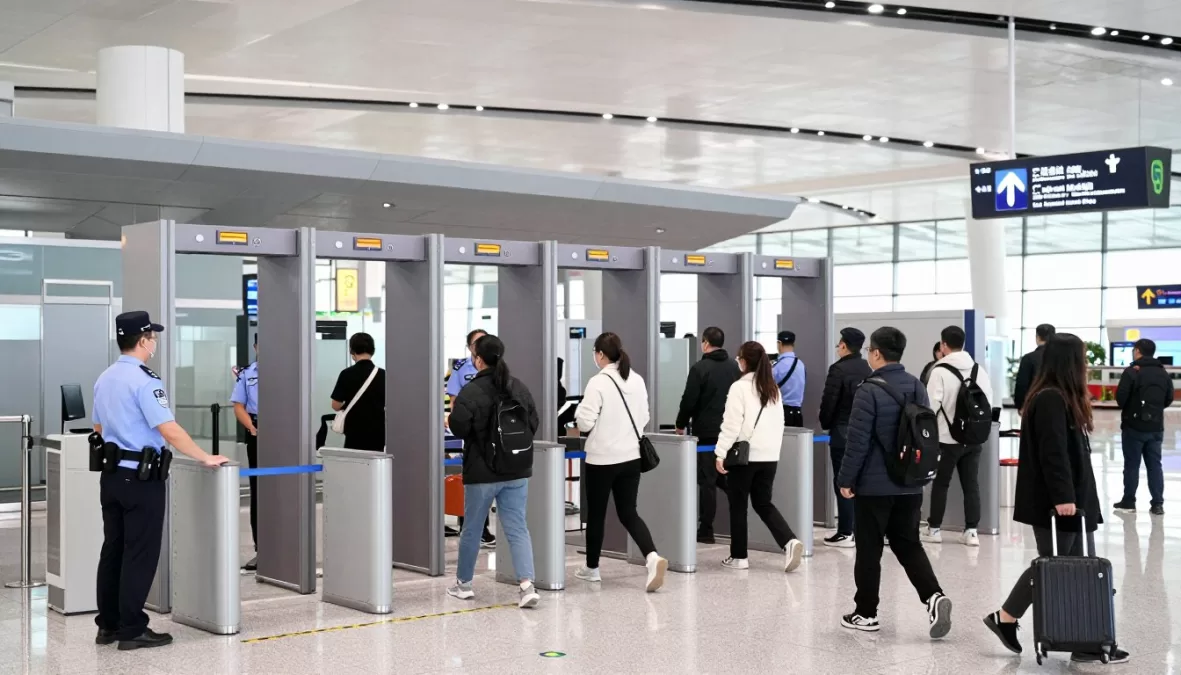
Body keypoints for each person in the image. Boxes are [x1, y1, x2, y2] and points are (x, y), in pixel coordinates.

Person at [983, 333, 1129, 664]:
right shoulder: (1050, 398)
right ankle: (1006, 617)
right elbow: (1053, 453)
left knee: (1072, 568)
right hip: (1059, 501)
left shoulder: (1060, 396)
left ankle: (1086, 640)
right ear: (1069, 362)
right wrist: (1064, 496)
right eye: (1082, 359)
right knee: (1055, 567)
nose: (1086, 365)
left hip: (1074, 498)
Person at [92, 311, 229, 650]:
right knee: (139, 552)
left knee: (113, 549)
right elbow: (167, 429)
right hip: (141, 478)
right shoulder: (145, 380)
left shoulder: (105, 378)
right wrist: (204, 456)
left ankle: (108, 626)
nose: (154, 342)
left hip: (111, 477)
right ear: (142, 341)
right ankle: (132, 628)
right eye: (152, 336)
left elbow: (98, 428)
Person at [837, 327, 952, 638]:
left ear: (876, 353)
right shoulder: (916, 385)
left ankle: (866, 613)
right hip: (910, 482)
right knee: (908, 544)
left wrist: (846, 480)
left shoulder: (868, 389)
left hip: (875, 487)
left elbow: (857, 442)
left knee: (869, 548)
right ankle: (933, 596)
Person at [445, 334, 542, 609]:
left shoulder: (471, 391)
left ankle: (463, 585)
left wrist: (450, 419)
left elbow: (460, 427)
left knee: (472, 529)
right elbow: (533, 422)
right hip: (517, 470)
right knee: (517, 528)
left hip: (482, 472)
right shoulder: (517, 387)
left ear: (477, 359)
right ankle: (526, 586)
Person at [575, 332, 669, 592]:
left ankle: (592, 569)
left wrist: (579, 415)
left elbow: (584, 422)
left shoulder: (598, 382)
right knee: (629, 512)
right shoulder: (636, 379)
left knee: (597, 514)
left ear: (601, 354)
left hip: (602, 460)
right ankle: (652, 557)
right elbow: (645, 416)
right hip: (630, 458)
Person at [715, 341, 804, 572]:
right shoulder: (772, 387)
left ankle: (739, 557)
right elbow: (780, 423)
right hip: (769, 456)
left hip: (745, 457)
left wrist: (720, 452)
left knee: (738, 505)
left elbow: (731, 424)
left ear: (744, 362)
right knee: (763, 503)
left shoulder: (739, 388)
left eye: (738, 359)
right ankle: (789, 541)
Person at [922, 325, 993, 547]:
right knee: (971, 484)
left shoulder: (939, 370)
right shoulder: (979, 370)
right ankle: (971, 531)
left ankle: (934, 529)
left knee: (941, 483)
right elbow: (987, 401)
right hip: (973, 437)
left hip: (946, 438)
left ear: (943, 345)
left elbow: (931, 406)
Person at [674, 326, 741, 544]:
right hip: (731, 432)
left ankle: (706, 530)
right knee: (725, 476)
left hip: (707, 433)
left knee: (707, 481)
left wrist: (680, 424)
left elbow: (689, 399)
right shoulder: (735, 367)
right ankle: (741, 519)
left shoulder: (700, 368)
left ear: (704, 343)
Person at [818, 327, 871, 548]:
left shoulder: (838, 370)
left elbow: (830, 401)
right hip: (864, 431)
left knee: (843, 479)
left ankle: (845, 531)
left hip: (842, 431)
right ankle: (861, 530)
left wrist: (825, 423)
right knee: (861, 480)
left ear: (843, 345)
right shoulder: (867, 368)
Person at [443, 328, 496, 547]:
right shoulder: (461, 368)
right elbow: (455, 402)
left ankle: (479, 529)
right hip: (472, 434)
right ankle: (476, 529)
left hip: (493, 434)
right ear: (469, 347)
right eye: (477, 342)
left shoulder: (496, 368)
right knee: (474, 482)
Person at [1113, 338, 1174, 516]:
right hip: (1156, 427)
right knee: (1155, 465)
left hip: (1133, 426)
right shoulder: (1163, 373)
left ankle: (1129, 501)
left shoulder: (1132, 372)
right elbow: (1169, 397)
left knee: (1132, 465)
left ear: (1138, 351)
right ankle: (1157, 504)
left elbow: (1120, 400)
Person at [230, 333, 260, 571]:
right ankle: (261, 549)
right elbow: (238, 406)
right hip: (257, 433)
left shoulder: (289, 370)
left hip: (285, 434)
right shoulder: (247, 374)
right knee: (258, 491)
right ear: (255, 347)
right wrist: (251, 427)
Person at [330, 333, 386, 452]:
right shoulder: (383, 375)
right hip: (378, 431)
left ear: (352, 351)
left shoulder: (346, 374)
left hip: (354, 431)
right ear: (373, 351)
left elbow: (335, 405)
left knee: (354, 466)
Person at [1014, 324, 1055, 410]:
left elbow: (1022, 384)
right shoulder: (1061, 358)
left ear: (1037, 337)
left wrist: (1020, 406)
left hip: (1033, 405)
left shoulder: (1029, 358)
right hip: (1058, 406)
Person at [773, 330, 806, 427]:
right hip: (797, 414)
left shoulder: (777, 366)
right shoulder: (800, 365)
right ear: (793, 344)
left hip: (781, 413)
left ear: (779, 343)